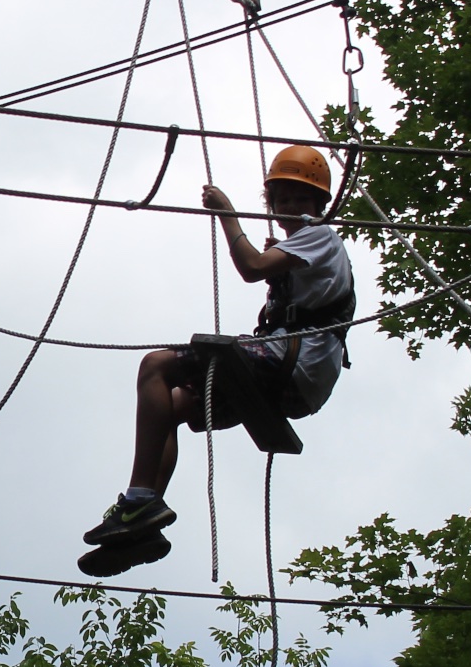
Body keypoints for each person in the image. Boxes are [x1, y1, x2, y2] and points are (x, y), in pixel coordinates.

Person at [79, 144, 355, 576]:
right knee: (167, 407)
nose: (291, 207)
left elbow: (250, 266)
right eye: (283, 200)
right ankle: (142, 525)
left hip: (292, 364)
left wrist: (226, 213)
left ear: (320, 203)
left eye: (302, 199)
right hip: (298, 380)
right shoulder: (304, 248)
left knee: (155, 365)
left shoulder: (321, 236)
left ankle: (137, 500)